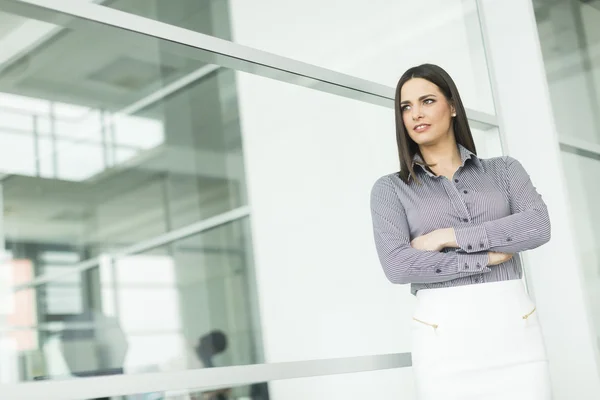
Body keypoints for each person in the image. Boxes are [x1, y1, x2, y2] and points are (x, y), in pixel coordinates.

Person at [369, 64, 552, 399]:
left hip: (514, 327)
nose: (415, 114)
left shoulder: (505, 170)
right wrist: (481, 259)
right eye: (405, 107)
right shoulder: (391, 189)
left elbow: (537, 225)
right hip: (443, 337)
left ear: (452, 106)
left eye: (426, 101)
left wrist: (446, 237)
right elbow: (397, 264)